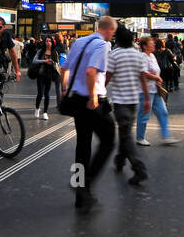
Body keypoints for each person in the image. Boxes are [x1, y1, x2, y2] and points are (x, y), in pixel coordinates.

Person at [61, 16, 117, 210]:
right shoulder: (102, 45)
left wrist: (64, 88)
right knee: (109, 140)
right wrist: (93, 97)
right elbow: (91, 72)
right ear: (108, 29)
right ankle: (86, 184)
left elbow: (64, 67)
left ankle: (80, 192)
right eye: (112, 32)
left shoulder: (79, 42)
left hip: (76, 99)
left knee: (82, 146)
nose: (112, 35)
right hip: (92, 102)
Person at [107, 27, 150, 186]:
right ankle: (120, 159)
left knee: (125, 134)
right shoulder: (138, 56)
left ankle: (139, 169)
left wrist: (98, 92)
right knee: (125, 132)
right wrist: (146, 99)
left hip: (120, 102)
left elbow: (107, 76)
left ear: (117, 40)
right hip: (133, 101)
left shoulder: (114, 55)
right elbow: (143, 78)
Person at [136, 36, 179, 146]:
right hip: (145, 90)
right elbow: (143, 73)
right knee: (144, 114)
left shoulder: (152, 56)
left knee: (163, 112)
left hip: (155, 90)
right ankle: (140, 137)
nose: (154, 44)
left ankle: (166, 136)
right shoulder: (142, 57)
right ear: (145, 46)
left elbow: (155, 71)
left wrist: (157, 79)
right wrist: (156, 78)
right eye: (151, 43)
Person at [32, 36, 60, 121]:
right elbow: (34, 60)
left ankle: (45, 112)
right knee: (40, 93)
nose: (48, 42)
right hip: (40, 74)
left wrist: (53, 62)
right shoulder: (41, 51)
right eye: (46, 41)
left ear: (52, 43)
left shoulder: (54, 52)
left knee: (47, 94)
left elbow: (57, 63)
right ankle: (37, 108)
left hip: (49, 75)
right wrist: (44, 61)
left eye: (49, 41)